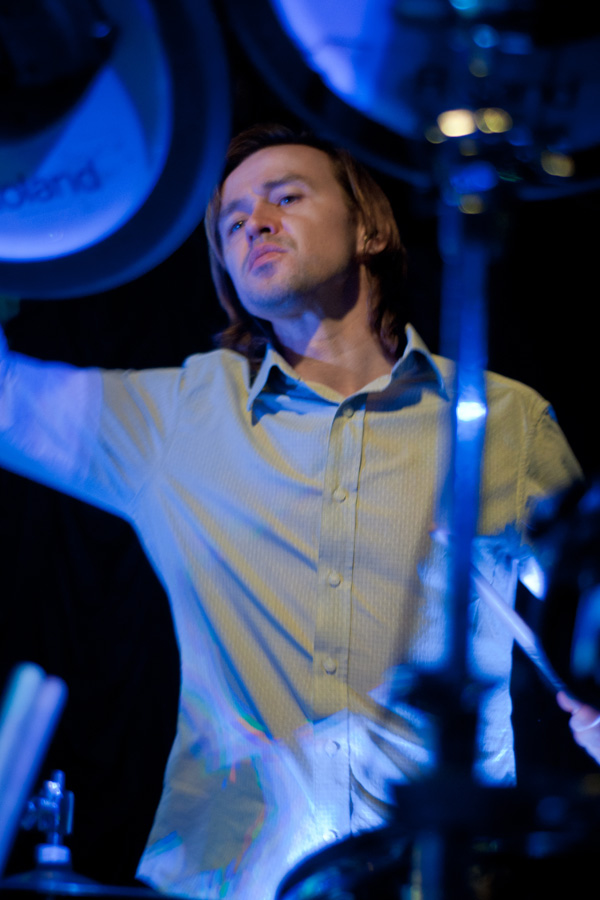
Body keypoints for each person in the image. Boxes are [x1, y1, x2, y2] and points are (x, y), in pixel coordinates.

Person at [0, 123, 595, 899]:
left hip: (441, 875)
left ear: (369, 228)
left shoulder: (501, 420)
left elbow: (585, 626)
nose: (255, 223)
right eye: (232, 222)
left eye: (284, 197)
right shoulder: (177, 417)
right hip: (232, 879)